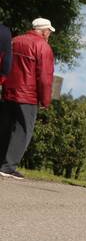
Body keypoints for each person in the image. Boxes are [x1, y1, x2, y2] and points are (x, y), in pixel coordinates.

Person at [0, 18, 55, 179]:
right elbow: (45, 78)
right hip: (28, 96)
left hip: (8, 91)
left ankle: (2, 163)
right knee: (23, 131)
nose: (49, 34)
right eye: (49, 32)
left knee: (5, 128)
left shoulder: (15, 40)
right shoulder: (43, 47)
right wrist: (45, 100)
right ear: (44, 31)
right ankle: (8, 167)